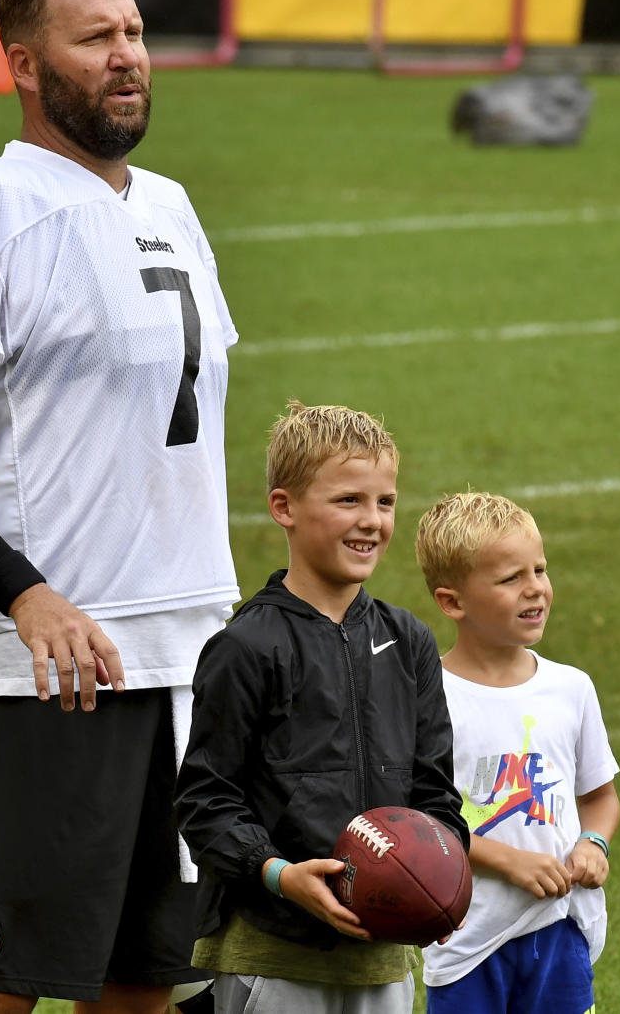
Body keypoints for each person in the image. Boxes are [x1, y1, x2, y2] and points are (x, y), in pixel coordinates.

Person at [0, 0, 238, 1014]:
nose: (127, 57)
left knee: (143, 991)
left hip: (184, 667)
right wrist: (26, 594)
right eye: (96, 39)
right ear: (26, 65)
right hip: (43, 675)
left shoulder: (171, 204)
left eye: (132, 32)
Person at [174, 400, 469, 1014]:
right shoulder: (244, 646)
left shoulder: (408, 640)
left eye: (384, 502)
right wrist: (280, 874)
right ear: (285, 507)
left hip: (384, 961)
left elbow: (435, 794)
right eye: (348, 501)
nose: (371, 521)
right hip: (272, 958)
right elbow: (205, 801)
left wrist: (443, 878)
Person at [413, 492, 620, 1014]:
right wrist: (507, 861)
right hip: (466, 942)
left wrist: (593, 843)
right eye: (510, 579)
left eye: (540, 569)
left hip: (559, 929)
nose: (535, 589)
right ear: (452, 602)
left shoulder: (571, 688)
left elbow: (600, 798)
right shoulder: (427, 695)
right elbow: (420, 822)